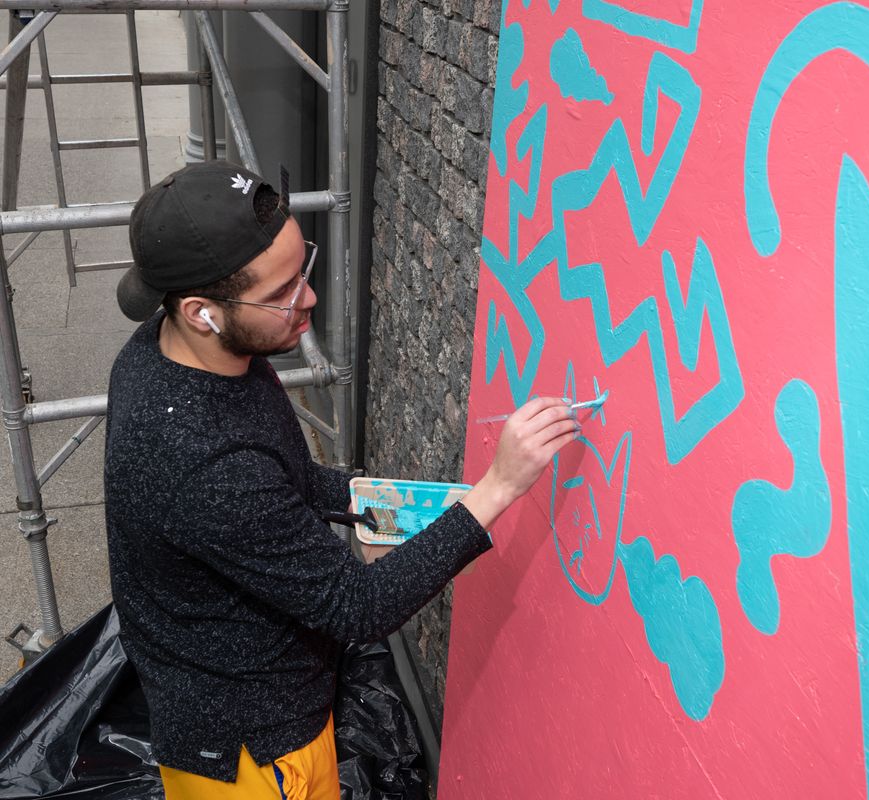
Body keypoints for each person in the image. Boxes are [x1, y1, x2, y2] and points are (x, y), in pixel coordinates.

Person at [104, 160, 576, 799]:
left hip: (237, 693)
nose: (309, 298)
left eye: (304, 268)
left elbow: (284, 476)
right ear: (201, 311)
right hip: (254, 751)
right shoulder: (202, 464)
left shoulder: (175, 350)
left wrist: (364, 500)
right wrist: (497, 488)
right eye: (282, 293)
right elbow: (358, 607)